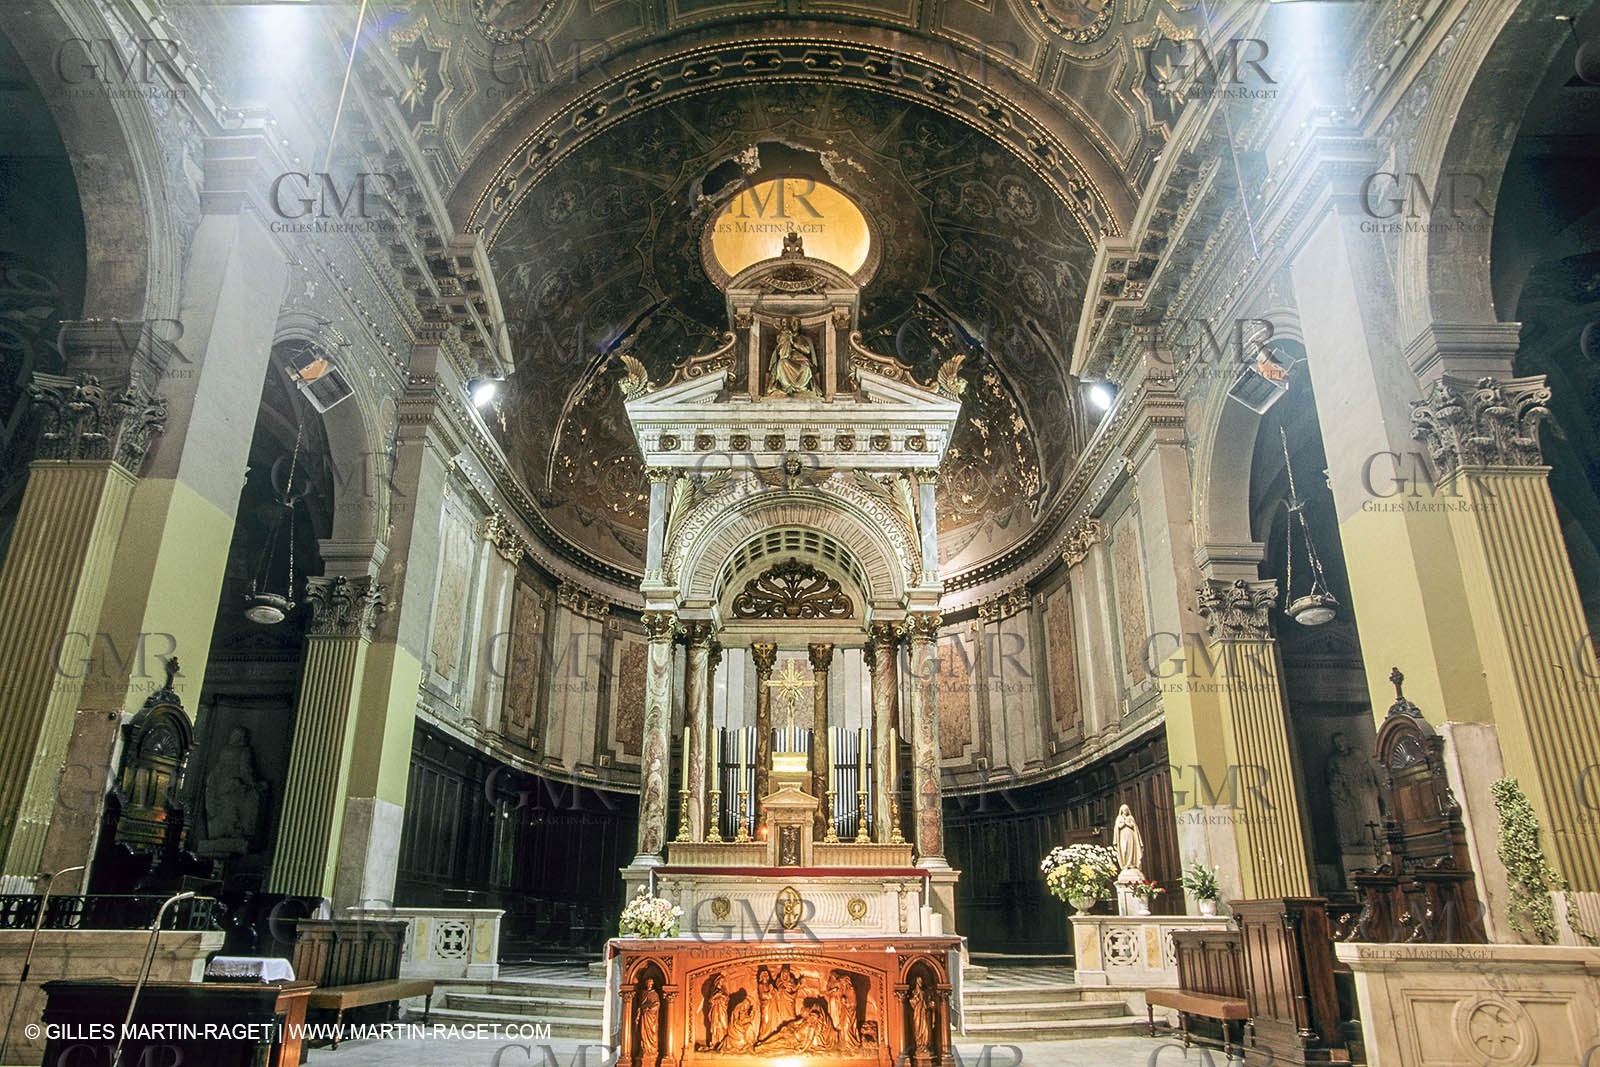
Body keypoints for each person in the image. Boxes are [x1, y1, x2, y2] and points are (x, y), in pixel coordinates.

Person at [767, 318, 819, 397]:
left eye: (796, 322)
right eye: (792, 323)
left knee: (806, 368)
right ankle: (786, 387)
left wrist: (793, 343)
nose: (794, 325)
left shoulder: (804, 338)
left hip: (800, 361)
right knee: (781, 363)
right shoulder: (785, 336)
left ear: (799, 325)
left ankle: (801, 388)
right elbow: (778, 350)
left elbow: (807, 351)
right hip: (788, 360)